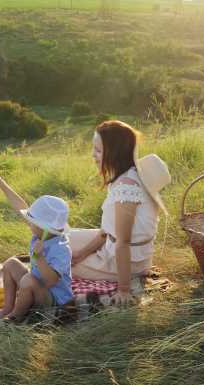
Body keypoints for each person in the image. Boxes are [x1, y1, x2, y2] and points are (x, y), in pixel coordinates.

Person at [69, 120, 171, 307]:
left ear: (114, 153)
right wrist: (82, 253)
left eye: (98, 150)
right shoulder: (124, 176)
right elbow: (107, 232)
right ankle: (77, 256)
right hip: (113, 245)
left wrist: (124, 289)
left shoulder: (126, 187)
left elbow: (123, 242)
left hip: (128, 261)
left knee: (55, 261)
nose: (93, 155)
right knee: (62, 239)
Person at [0, 170, 73, 321]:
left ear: (44, 227)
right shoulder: (40, 233)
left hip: (53, 301)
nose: (29, 224)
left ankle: (15, 318)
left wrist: (39, 258)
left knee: (27, 279)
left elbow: (52, 281)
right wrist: (1, 184)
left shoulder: (61, 248)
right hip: (35, 287)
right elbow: (20, 207)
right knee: (10, 264)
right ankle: (8, 307)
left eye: (32, 222)